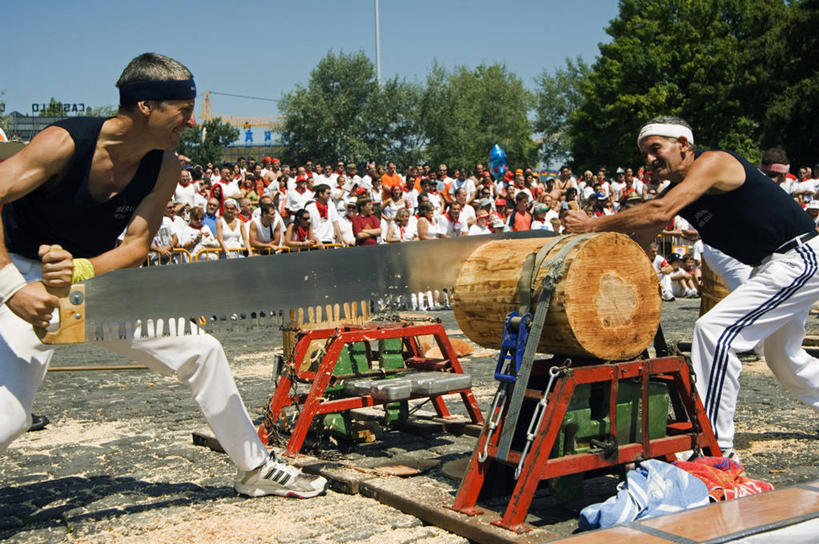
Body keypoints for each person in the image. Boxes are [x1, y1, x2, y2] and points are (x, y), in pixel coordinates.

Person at [0, 52, 326, 498]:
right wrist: (13, 288)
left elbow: (135, 248)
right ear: (145, 106)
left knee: (202, 350)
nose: (191, 122)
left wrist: (78, 270)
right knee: (9, 420)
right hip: (17, 273)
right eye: (184, 110)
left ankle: (255, 469)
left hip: (88, 281)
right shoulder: (64, 142)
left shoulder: (165, 166)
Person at [565, 116, 819, 457]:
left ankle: (714, 449)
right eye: (644, 154)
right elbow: (643, 234)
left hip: (798, 256)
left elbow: (660, 210)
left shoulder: (714, 162)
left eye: (656, 148)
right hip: (775, 264)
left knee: (715, 331)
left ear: (684, 145)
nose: (650, 160)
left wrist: (592, 224)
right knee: (781, 356)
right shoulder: (680, 193)